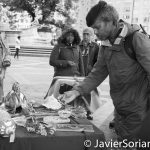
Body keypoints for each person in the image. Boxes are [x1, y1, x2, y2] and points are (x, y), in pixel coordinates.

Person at [62, 0, 150, 143]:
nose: (94, 32)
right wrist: (76, 91)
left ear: (111, 22)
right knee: (122, 142)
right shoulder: (106, 45)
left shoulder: (136, 39)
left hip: (139, 112)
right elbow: (97, 73)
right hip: (120, 111)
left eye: (97, 27)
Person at [0, 33, 11, 104]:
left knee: (0, 81)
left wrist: (6, 60)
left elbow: (8, 52)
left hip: (1, 66)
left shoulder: (3, 42)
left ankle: (1, 98)